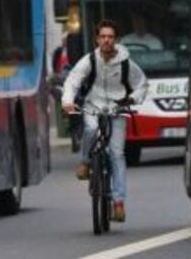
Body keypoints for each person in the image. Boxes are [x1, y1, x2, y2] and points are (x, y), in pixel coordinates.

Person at [61, 19, 147, 223]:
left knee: (117, 153)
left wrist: (132, 99)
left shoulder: (127, 63)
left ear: (116, 40)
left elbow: (142, 84)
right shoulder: (89, 60)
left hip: (117, 109)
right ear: (96, 40)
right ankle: (85, 162)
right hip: (93, 106)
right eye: (103, 37)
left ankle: (118, 203)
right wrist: (67, 101)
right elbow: (73, 80)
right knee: (90, 129)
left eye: (110, 37)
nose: (106, 40)